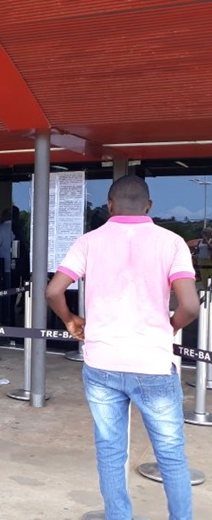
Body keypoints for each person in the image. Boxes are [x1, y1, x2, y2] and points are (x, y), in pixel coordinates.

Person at [45, 175, 199, 520]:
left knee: (111, 450)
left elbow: (54, 291)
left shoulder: (88, 241)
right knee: (171, 454)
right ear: (150, 207)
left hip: (102, 363)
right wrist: (167, 328)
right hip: (152, 364)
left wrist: (71, 321)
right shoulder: (172, 242)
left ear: (109, 206)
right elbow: (189, 306)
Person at [0, 208, 15, 325]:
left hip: (4, 264)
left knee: (5, 291)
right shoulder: (18, 228)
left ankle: (4, 317)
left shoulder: (2, 228)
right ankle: (12, 315)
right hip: (16, 266)